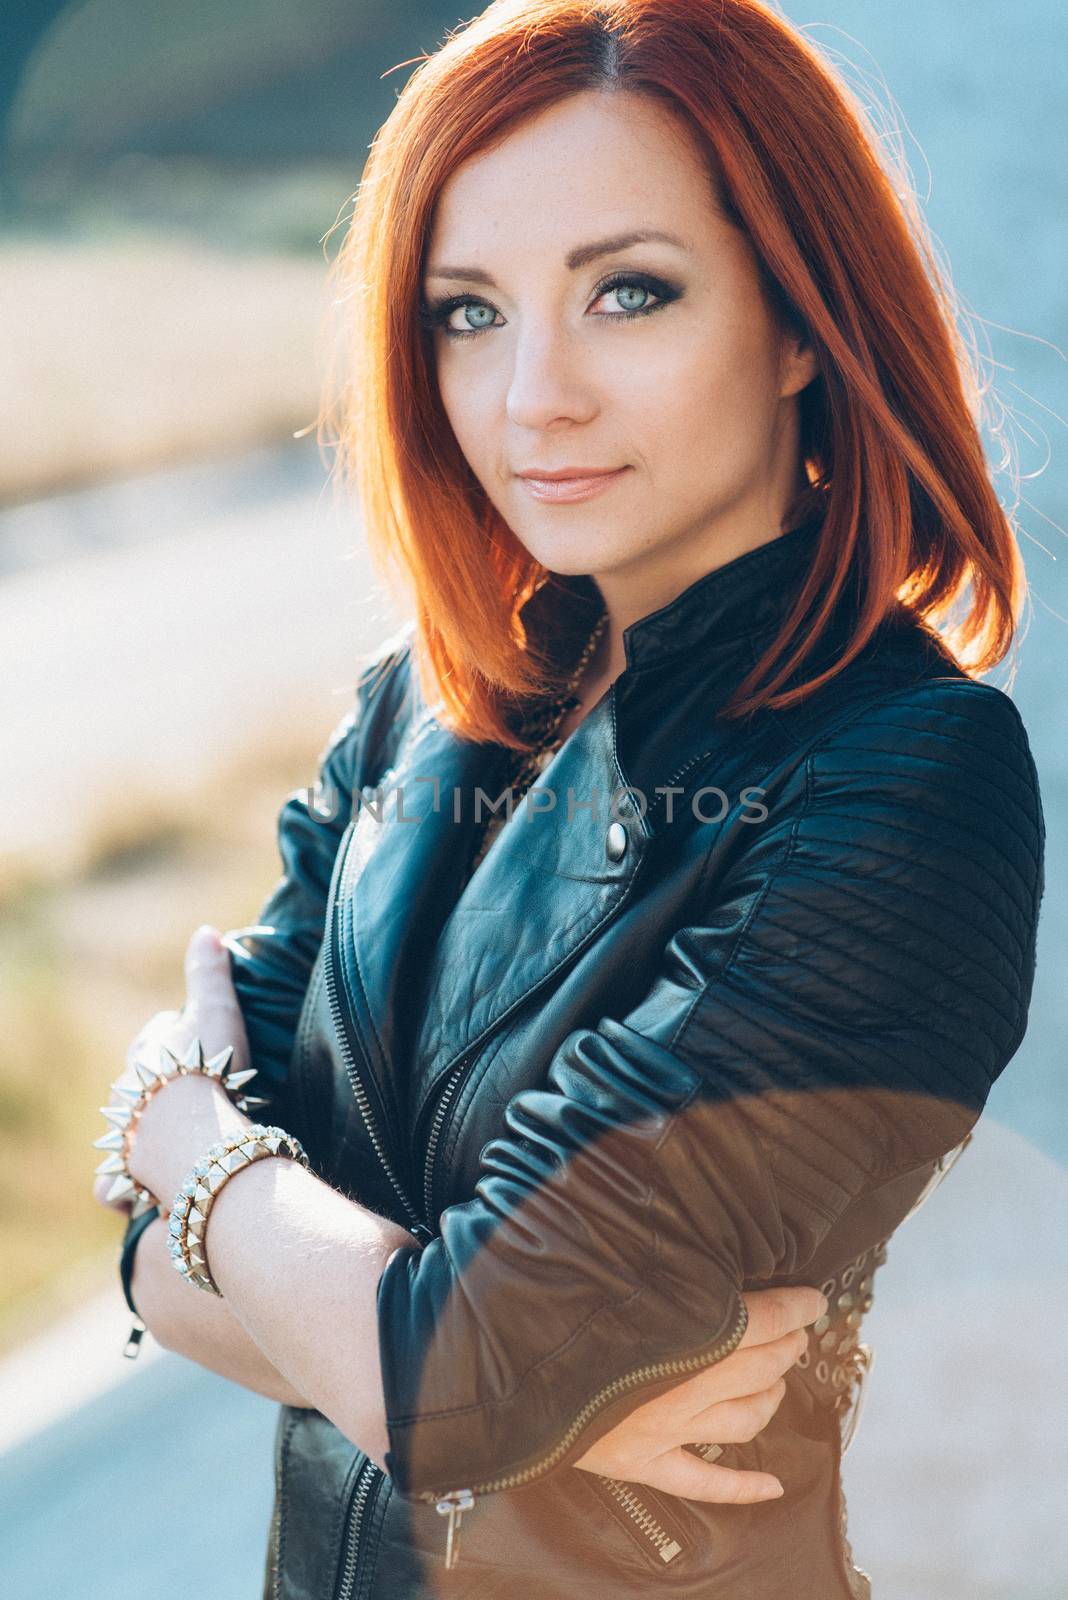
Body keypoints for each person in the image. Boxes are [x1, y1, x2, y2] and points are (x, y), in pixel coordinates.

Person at [94, 1, 1046, 1595]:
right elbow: (158, 1262)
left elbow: (420, 1363)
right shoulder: (421, 700)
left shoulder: (908, 780)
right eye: (469, 313)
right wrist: (495, 1385)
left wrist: (195, 1147)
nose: (534, 395)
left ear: (806, 319)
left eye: (629, 292)